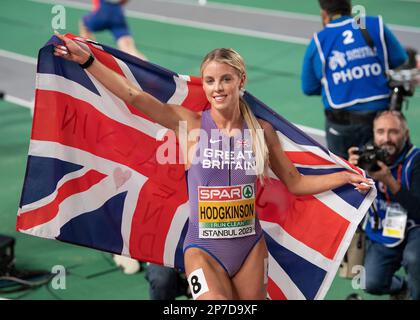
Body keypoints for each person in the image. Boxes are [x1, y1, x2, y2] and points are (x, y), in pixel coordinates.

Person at [52, 32, 373, 300]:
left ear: (240, 80)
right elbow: (135, 97)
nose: (217, 87)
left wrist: (343, 176)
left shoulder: (262, 131)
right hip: (202, 250)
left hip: (250, 249)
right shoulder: (190, 124)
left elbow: (295, 182)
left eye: (225, 79)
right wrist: (87, 60)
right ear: (203, 85)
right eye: (210, 80)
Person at [301, 0, 407, 159]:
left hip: (341, 125)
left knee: (344, 175)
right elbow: (400, 59)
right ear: (350, 7)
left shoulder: (319, 40)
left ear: (324, 13)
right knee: (387, 167)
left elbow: (308, 87)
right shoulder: (372, 25)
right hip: (380, 121)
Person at [348, 111, 420, 300]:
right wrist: (349, 170)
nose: (386, 138)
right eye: (380, 132)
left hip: (415, 227)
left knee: (414, 259)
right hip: (384, 228)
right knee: (370, 283)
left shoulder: (416, 161)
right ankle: (400, 288)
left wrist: (389, 181)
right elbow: (348, 197)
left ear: (405, 134)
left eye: (393, 132)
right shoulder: (366, 156)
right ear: (374, 133)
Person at [80, 0, 147, 60]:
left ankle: (89, 54)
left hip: (102, 12)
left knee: (84, 24)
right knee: (128, 48)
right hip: (117, 13)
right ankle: (147, 68)